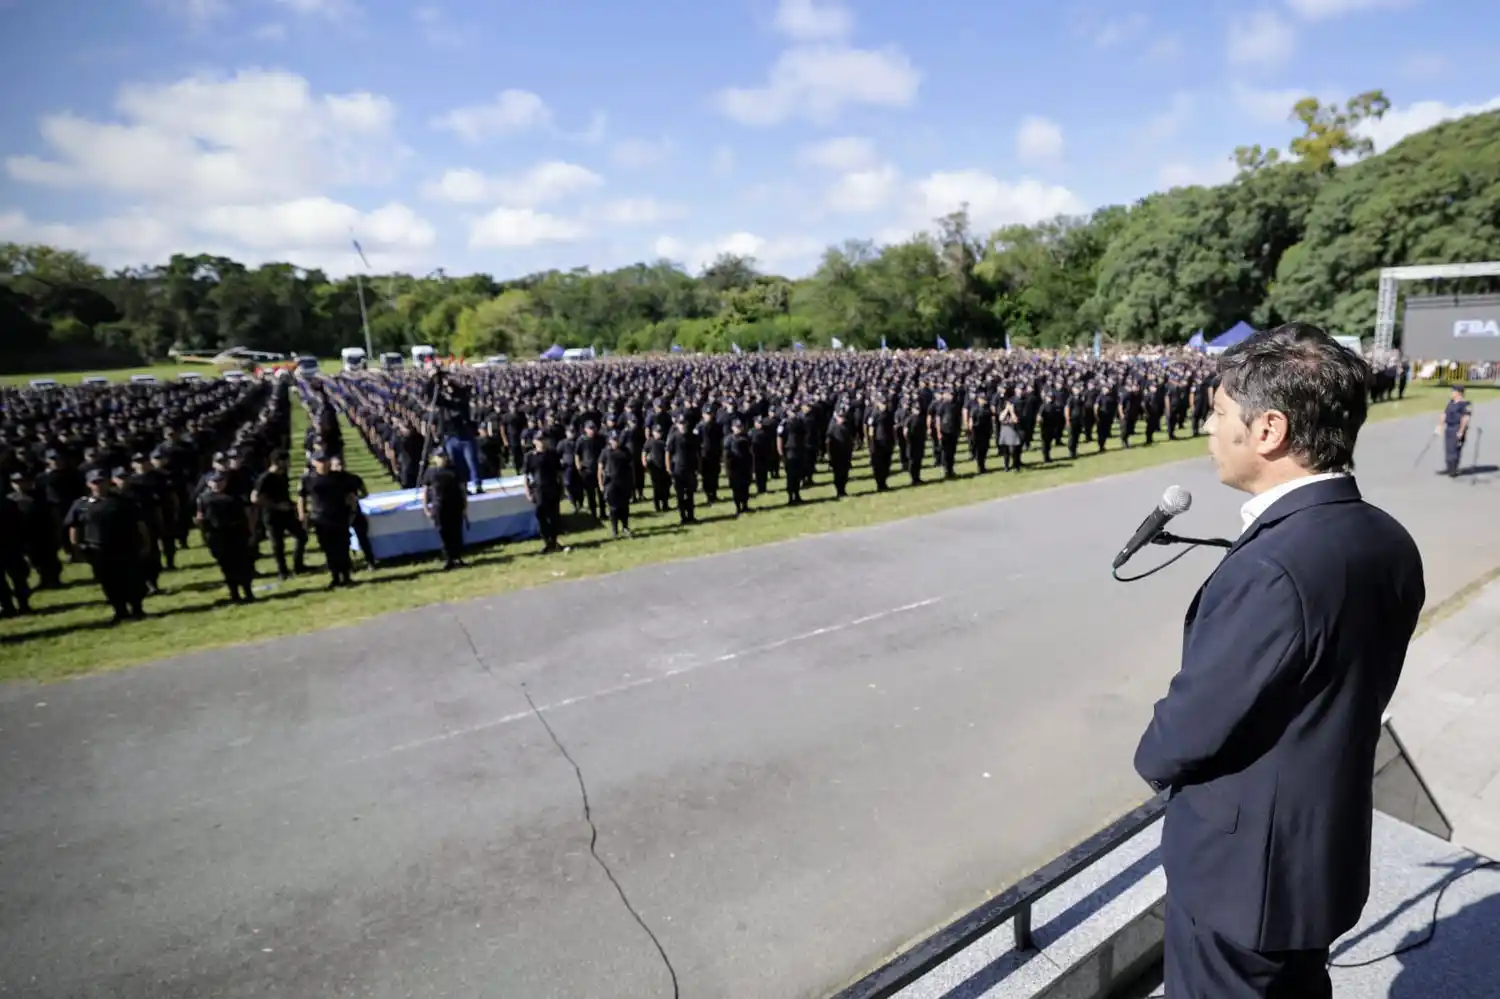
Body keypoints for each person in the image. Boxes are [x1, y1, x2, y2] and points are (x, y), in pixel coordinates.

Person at [1133, 322, 1425, 999]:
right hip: (1318, 857)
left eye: (1217, 412)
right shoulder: (1387, 537)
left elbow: (1191, 727)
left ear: (1267, 430)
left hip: (1244, 877)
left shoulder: (1273, 564)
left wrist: (1151, 754)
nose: (1208, 428)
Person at [63, 468, 150, 624]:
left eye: (101, 481)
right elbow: (74, 526)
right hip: (98, 550)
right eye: (95, 482)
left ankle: (137, 609)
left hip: (126, 547)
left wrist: (145, 542)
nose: (99, 485)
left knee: (133, 580)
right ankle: (120, 611)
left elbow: (139, 522)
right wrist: (75, 547)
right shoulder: (81, 505)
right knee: (109, 582)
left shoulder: (123, 500)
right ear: (89, 484)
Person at [298, 452, 357, 589]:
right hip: (320, 519)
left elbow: (350, 495)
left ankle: (346, 575)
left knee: (343, 547)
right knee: (328, 549)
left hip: (339, 516)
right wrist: (302, 514)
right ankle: (335, 576)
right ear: (313, 463)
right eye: (320, 461)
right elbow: (302, 497)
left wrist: (352, 511)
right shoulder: (308, 479)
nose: (324, 463)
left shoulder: (340, 477)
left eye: (326, 460)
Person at [197, 471, 257, 603]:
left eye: (221, 480)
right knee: (227, 567)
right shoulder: (204, 499)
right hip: (218, 536)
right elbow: (201, 519)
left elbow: (248, 514)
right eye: (215, 481)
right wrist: (204, 537)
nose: (218, 484)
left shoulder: (235, 496)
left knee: (244, 565)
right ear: (208, 483)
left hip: (237, 534)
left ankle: (248, 591)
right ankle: (234, 594)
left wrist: (251, 532)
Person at [422, 450, 468, 569]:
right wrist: (426, 508)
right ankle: (448, 559)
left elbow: (462, 488)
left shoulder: (454, 469)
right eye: (440, 457)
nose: (443, 459)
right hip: (439, 506)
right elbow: (425, 491)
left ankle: (457, 557)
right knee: (443, 532)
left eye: (444, 456)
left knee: (456, 532)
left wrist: (465, 506)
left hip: (455, 504)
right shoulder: (430, 472)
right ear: (434, 458)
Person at [600, 431, 635, 538]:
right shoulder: (605, 451)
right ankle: (614, 530)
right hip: (611, 483)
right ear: (610, 440)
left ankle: (625, 527)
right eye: (614, 440)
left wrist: (632, 481)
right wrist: (601, 484)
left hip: (624, 482)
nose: (616, 442)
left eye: (617, 439)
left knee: (624, 506)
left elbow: (631, 466)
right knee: (613, 508)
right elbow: (600, 467)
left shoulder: (625, 451)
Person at [1436, 385, 1472, 477]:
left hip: (1457, 427)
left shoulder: (1465, 404)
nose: (1451, 393)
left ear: (1459, 393)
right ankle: (1449, 468)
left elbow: (1465, 418)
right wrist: (1439, 426)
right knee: (1448, 449)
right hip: (1449, 427)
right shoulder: (1451, 402)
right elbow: (1444, 414)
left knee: (1455, 449)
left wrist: (1461, 431)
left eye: (1453, 391)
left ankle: (1454, 469)